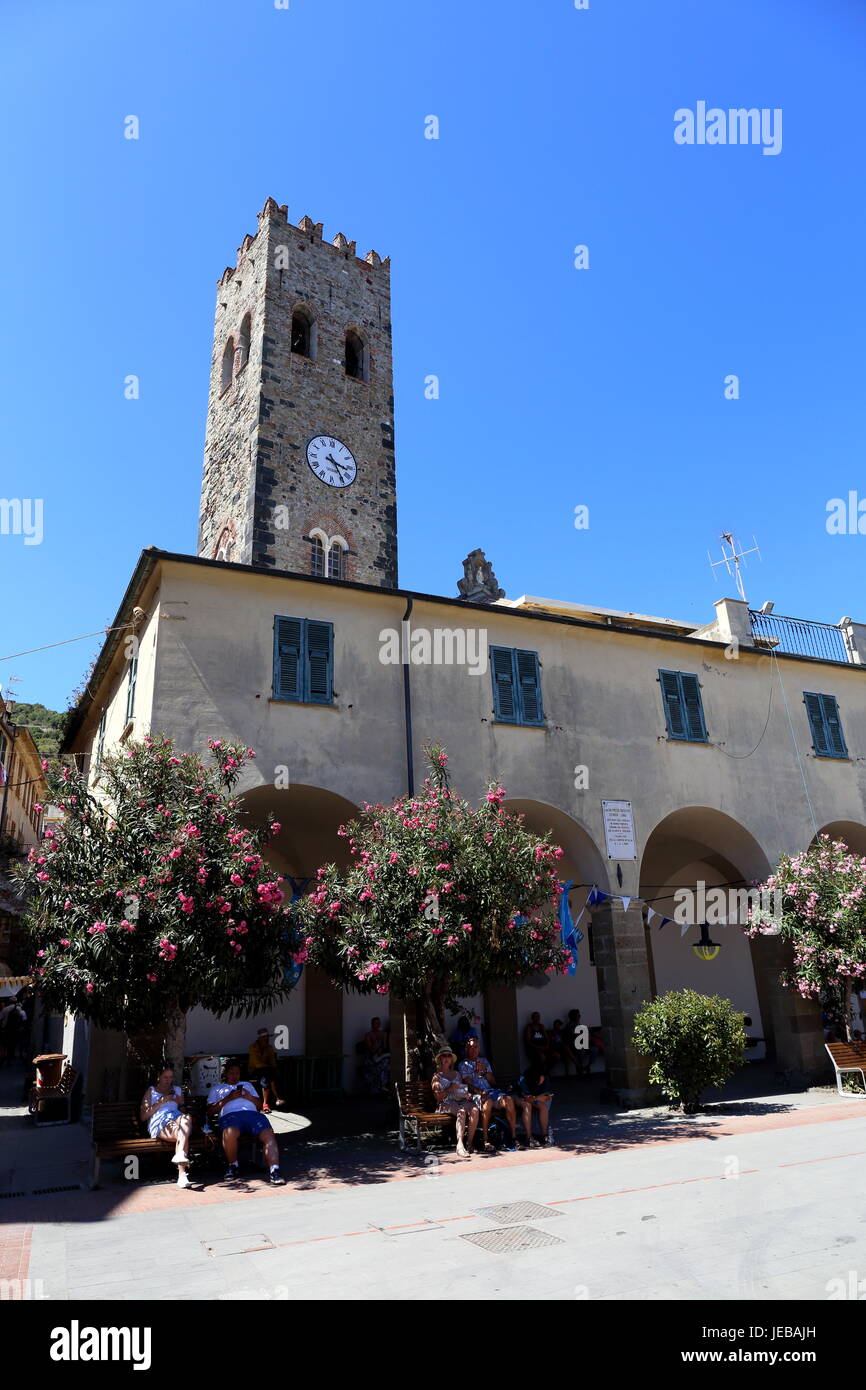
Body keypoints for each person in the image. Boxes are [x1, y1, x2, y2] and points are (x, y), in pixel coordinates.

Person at [207, 1062, 285, 1185]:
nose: (235, 1076)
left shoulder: (247, 1085)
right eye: (232, 1073)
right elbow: (210, 1111)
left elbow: (260, 1106)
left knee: (268, 1134)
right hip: (230, 1116)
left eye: (237, 1073)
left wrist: (249, 1098)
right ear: (226, 1074)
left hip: (252, 1115)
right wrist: (229, 1098)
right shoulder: (217, 1089)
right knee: (229, 1133)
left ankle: (275, 1170)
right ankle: (233, 1165)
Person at [140, 1065, 197, 1189]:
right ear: (158, 1077)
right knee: (182, 1134)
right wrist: (161, 1101)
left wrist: (178, 1103)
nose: (168, 1080)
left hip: (177, 1118)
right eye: (165, 1077)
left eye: (170, 1077)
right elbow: (143, 1116)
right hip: (160, 1122)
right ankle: (182, 1174)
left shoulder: (176, 1089)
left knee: (186, 1118)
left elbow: (182, 1109)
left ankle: (180, 1156)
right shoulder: (151, 1091)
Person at [458, 1036, 518, 1150]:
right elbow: (467, 1085)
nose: (474, 1050)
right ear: (466, 1049)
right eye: (471, 1047)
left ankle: (513, 1138)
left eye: (476, 1047)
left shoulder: (484, 1061)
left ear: (479, 1049)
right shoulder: (463, 1064)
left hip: (491, 1091)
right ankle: (486, 1140)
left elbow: (493, 1082)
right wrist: (480, 1092)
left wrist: (485, 1070)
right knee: (488, 1102)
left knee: (509, 1100)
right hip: (477, 1094)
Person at [431, 1045, 480, 1158]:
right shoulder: (436, 1077)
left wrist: (466, 1094)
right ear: (440, 1059)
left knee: (474, 1109)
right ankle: (460, 1145)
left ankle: (470, 1142)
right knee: (461, 1112)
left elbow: (461, 1088)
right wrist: (450, 1089)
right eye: (444, 1056)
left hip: (460, 1100)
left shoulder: (457, 1074)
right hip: (445, 1104)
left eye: (449, 1056)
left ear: (451, 1059)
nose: (447, 1058)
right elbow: (438, 1097)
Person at [514, 1063, 555, 1147]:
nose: (542, 1081)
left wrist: (546, 1097)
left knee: (543, 1106)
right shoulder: (523, 1079)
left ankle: (544, 1135)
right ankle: (529, 1137)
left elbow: (545, 1091)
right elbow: (526, 1097)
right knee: (527, 1105)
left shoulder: (545, 1077)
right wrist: (538, 1098)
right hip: (517, 1096)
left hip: (534, 1097)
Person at [247, 1028, 286, 1112]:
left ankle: (265, 1104)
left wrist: (274, 1068)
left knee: (268, 1075)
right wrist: (271, 1068)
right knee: (267, 1073)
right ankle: (277, 1098)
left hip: (267, 1071)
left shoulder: (269, 1047)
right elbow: (257, 1064)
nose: (267, 1039)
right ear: (260, 1039)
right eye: (265, 1037)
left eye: (268, 1037)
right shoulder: (253, 1047)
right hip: (255, 1070)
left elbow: (272, 1060)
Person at [362, 1016, 390, 1093]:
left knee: (386, 1063)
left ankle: (383, 1087)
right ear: (372, 1024)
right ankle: (378, 1089)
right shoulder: (368, 1035)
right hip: (371, 1057)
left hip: (381, 1056)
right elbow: (371, 1049)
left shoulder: (383, 1034)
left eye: (379, 1023)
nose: (378, 1025)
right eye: (376, 1023)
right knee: (376, 1065)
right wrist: (377, 1044)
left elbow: (385, 1047)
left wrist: (381, 1049)